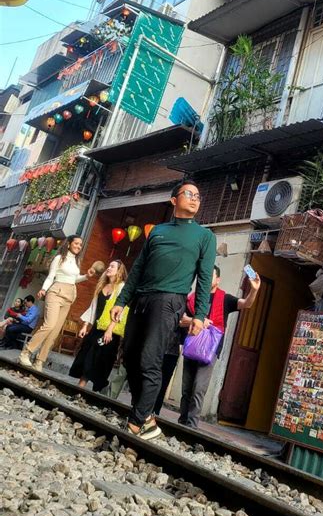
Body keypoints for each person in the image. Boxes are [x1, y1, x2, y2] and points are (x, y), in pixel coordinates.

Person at [111, 179, 216, 440]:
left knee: (150, 359)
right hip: (141, 298)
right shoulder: (157, 231)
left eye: (198, 196)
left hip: (169, 301)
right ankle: (146, 416)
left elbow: (204, 279)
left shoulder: (205, 236)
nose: (194, 198)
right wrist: (121, 300)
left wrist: (200, 315)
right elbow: (137, 269)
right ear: (174, 200)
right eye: (188, 194)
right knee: (131, 357)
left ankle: (135, 422)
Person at [178, 266, 261, 428]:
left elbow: (246, 304)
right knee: (186, 389)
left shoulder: (225, 299)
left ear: (218, 280)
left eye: (211, 276)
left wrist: (254, 290)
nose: (207, 278)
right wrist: (197, 320)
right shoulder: (192, 298)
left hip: (209, 350)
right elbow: (181, 319)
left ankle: (191, 426)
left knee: (199, 389)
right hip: (191, 345)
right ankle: (182, 422)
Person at [19, 235, 96, 371]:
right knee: (49, 325)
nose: (79, 246)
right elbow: (51, 276)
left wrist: (86, 276)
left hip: (69, 295)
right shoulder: (59, 258)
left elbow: (73, 279)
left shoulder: (77, 261)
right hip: (56, 292)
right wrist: (43, 289)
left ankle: (40, 361)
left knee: (54, 332)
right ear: (68, 244)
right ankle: (26, 352)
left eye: (80, 244)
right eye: (76, 243)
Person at [69, 260, 129, 392]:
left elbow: (121, 310)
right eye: (109, 265)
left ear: (119, 270)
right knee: (87, 355)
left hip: (110, 331)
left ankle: (98, 388)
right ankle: (80, 388)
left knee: (103, 360)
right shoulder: (102, 286)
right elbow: (93, 307)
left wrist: (110, 330)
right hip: (97, 327)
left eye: (112, 266)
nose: (109, 268)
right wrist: (85, 325)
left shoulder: (121, 287)